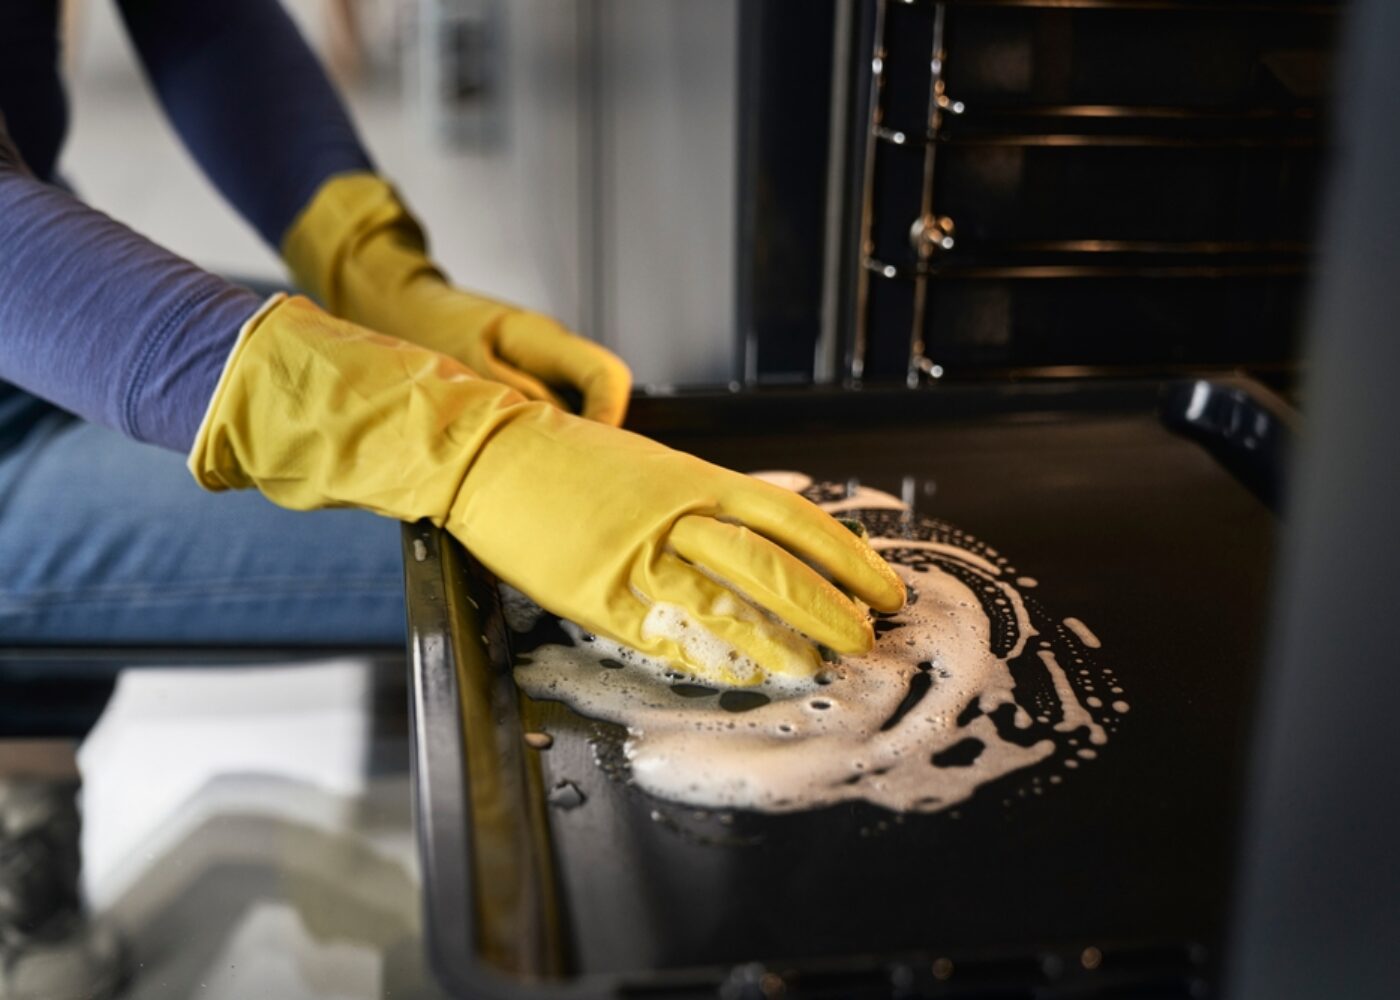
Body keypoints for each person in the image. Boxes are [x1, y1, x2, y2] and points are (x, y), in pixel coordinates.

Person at [0, 2, 903, 996]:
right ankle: (19, 820)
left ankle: (22, 758)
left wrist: (376, 268)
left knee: (586, 470)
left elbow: (203, 21)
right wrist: (453, 446)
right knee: (508, 551)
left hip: (42, 299)